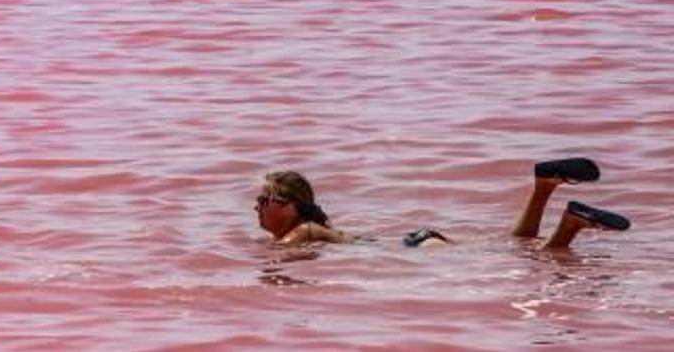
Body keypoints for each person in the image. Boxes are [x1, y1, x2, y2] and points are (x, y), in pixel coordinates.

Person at [254, 158, 631, 250]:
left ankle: (569, 224)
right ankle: (544, 186)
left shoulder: (299, 233)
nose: (256, 207)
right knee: (517, 250)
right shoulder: (310, 229)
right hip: (415, 242)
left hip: (412, 252)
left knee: (523, 256)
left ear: (289, 207)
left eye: (264, 200)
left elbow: (275, 270)